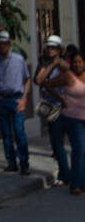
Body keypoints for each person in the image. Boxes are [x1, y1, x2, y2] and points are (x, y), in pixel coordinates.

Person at [0, 30, 30, 175]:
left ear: (9, 44)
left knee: (19, 132)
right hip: (2, 100)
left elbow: (27, 79)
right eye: (0, 44)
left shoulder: (18, 59)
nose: (2, 47)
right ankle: (11, 162)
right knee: (6, 134)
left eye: (5, 44)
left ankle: (24, 164)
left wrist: (24, 99)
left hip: (16, 99)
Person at [34, 35, 70, 188]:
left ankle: (65, 175)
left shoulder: (63, 65)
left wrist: (56, 63)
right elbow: (38, 80)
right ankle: (64, 172)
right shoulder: (44, 63)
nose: (50, 50)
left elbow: (67, 72)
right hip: (47, 107)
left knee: (58, 142)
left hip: (61, 106)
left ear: (59, 49)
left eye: (54, 48)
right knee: (55, 143)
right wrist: (50, 65)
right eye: (49, 47)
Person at [49, 52, 85, 195]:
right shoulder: (68, 76)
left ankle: (82, 183)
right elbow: (48, 84)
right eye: (75, 62)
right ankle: (75, 184)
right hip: (72, 118)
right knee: (79, 150)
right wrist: (61, 99)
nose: (77, 64)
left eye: (80, 62)